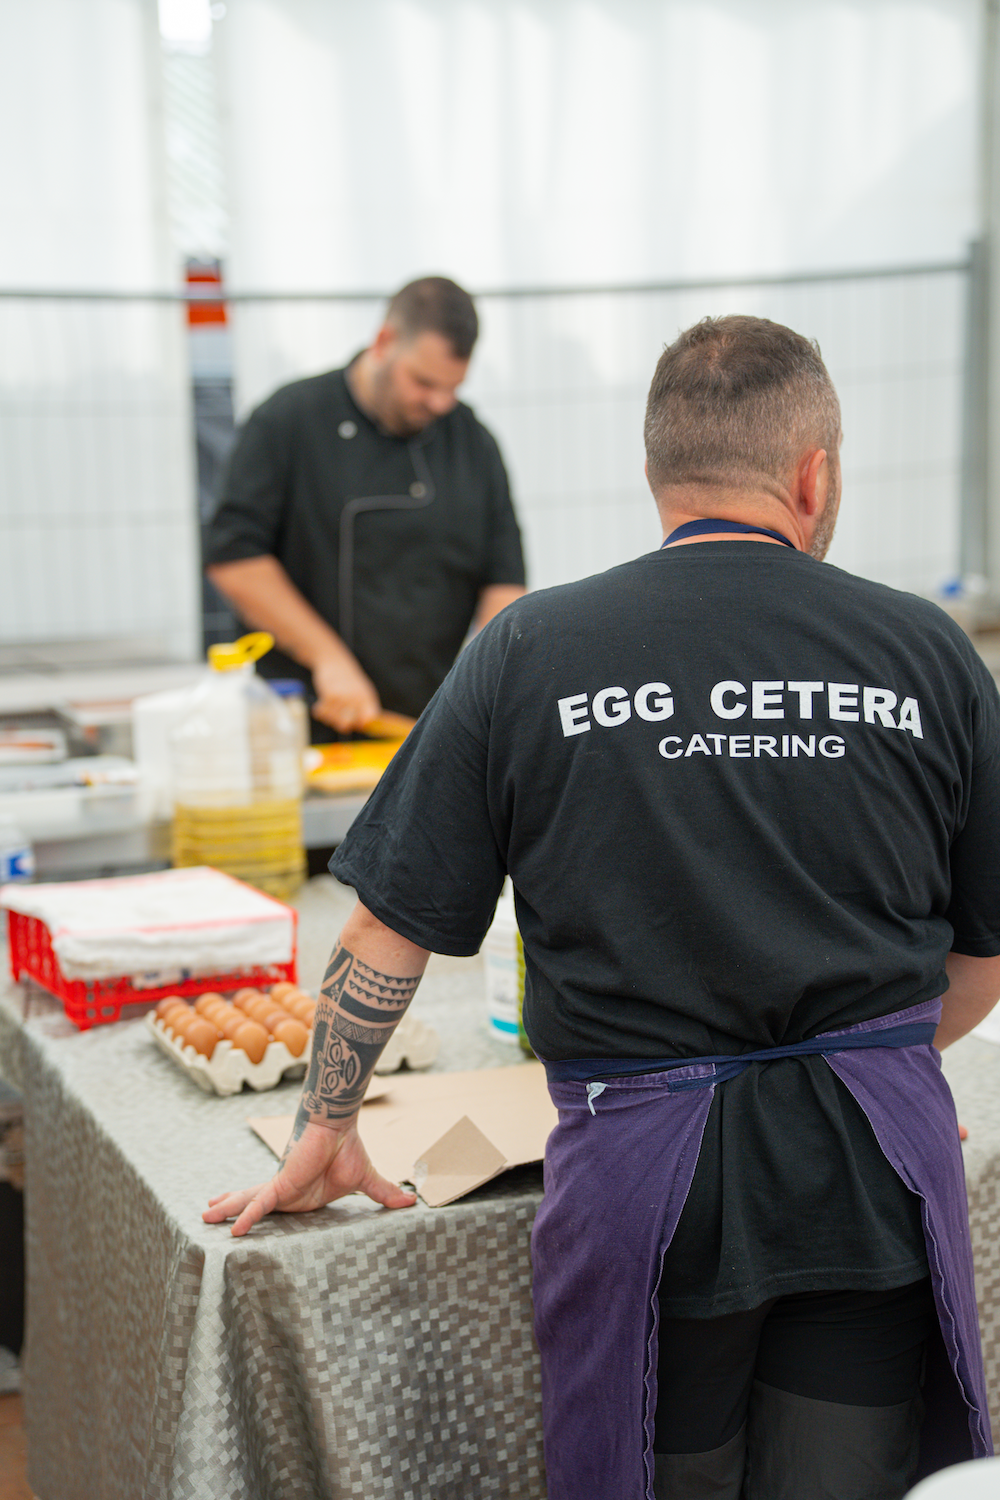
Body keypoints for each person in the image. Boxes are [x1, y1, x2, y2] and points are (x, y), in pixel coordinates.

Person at [204, 316, 1000, 1499]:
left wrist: (326, 1124)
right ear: (813, 470)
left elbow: (387, 927)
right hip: (866, 1184)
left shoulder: (527, 650)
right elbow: (979, 964)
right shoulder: (926, 654)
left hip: (642, 1188)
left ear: (654, 473)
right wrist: (869, 1070)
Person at [204, 276, 525, 736]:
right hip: (300, 718)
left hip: (421, 724)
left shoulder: (471, 443)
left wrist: (484, 691)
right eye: (423, 382)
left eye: (453, 388)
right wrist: (328, 659)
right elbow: (234, 559)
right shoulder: (289, 420)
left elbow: (503, 583)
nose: (439, 402)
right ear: (383, 342)